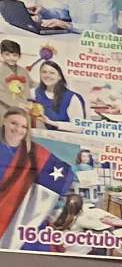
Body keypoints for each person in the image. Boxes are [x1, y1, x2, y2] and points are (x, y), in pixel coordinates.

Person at [0, 104, 72, 248]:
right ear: (4, 122)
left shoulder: (34, 152)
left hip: (16, 210)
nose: (18, 129)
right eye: (14, 123)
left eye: (24, 126)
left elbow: (63, 172)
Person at [32, 60, 85, 125]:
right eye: (44, 72)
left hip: (63, 132)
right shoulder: (33, 93)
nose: (47, 75)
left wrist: (51, 123)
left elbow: (78, 126)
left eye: (52, 73)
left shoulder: (71, 97)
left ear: (59, 77)